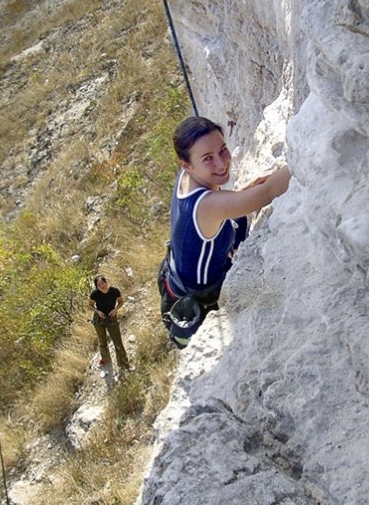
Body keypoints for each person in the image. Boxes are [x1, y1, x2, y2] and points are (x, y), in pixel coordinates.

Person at [159, 116, 291, 348]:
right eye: (208, 158)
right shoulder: (207, 205)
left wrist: (241, 194)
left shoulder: (186, 179)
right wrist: (305, 154)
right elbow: (268, 192)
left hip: (174, 278)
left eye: (223, 150)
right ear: (186, 165)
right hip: (204, 299)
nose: (221, 163)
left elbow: (217, 207)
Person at [89, 275, 131, 371]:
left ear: (106, 282)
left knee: (118, 342)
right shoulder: (95, 294)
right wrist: (97, 312)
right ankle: (105, 359)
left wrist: (115, 310)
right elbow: (90, 306)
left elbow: (121, 302)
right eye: (99, 285)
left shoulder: (114, 291)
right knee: (102, 342)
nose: (101, 286)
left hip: (111, 317)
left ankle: (124, 362)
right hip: (99, 318)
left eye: (102, 283)